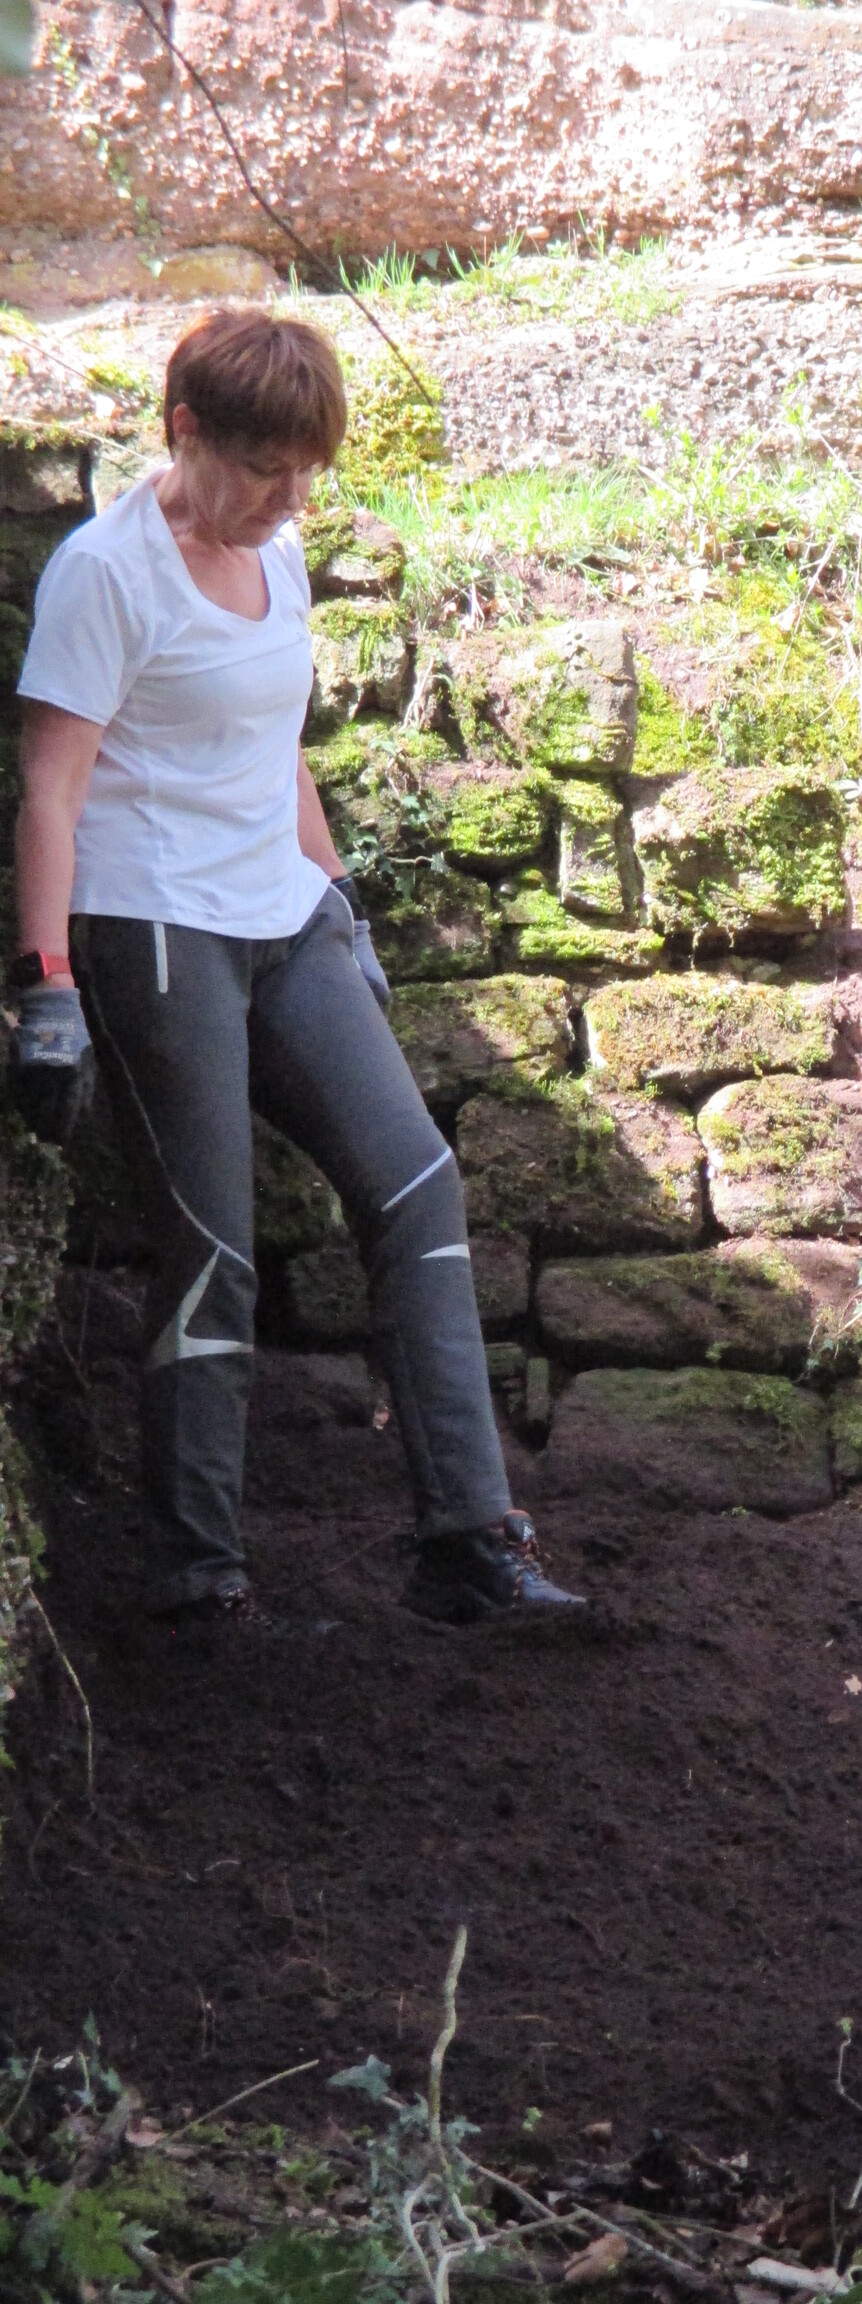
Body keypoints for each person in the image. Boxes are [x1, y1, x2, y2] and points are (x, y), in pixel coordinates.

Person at [7, 306, 578, 1627]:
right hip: (157, 929)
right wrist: (48, 987)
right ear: (186, 431)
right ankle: (199, 1574)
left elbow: (280, 752)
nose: (291, 498)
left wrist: (341, 907)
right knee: (216, 1244)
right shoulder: (105, 576)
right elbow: (50, 792)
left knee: (418, 1187)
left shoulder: (282, 555)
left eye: (308, 471)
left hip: (286, 915)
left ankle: (469, 1544)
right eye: (268, 469)